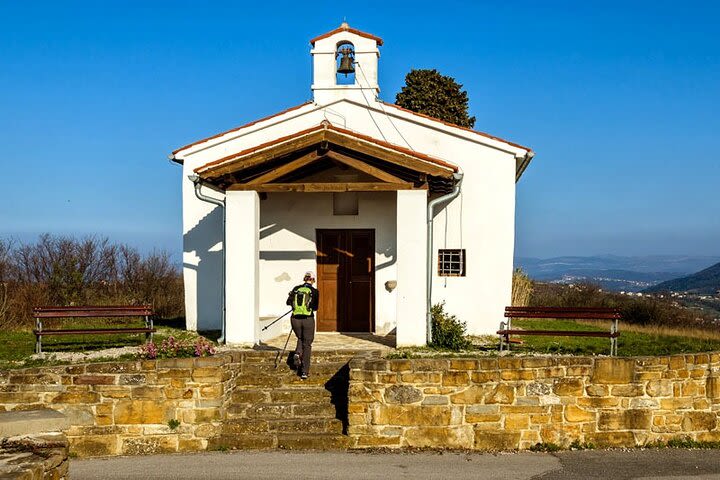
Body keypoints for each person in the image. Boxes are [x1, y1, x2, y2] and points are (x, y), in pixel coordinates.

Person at [286, 271, 319, 379]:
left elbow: (288, 302)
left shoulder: (296, 288)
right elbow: (315, 308)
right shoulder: (314, 291)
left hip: (295, 319)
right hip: (307, 319)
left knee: (300, 337)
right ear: (313, 280)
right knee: (307, 344)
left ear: (304, 278)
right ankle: (304, 371)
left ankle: (298, 353)